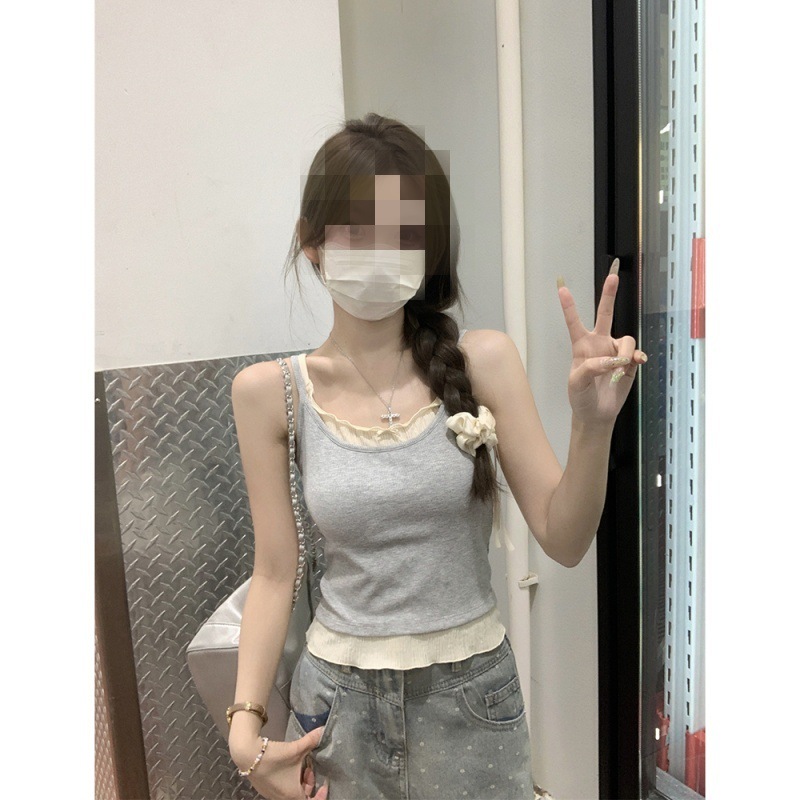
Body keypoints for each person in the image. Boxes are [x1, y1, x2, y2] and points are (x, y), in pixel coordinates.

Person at [226, 113, 646, 799]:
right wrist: (245, 724)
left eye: (404, 233)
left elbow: (565, 540)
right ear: (311, 241)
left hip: (472, 701)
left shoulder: (484, 360)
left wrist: (592, 425)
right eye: (357, 230)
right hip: (336, 709)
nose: (380, 252)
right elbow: (275, 572)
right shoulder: (269, 394)